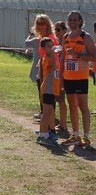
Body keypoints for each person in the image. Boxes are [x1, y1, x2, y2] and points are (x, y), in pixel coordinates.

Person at [60, 10, 96, 147]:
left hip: (81, 78)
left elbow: (94, 57)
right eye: (70, 20)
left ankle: (86, 136)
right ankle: (75, 135)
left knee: (83, 107)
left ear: (80, 21)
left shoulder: (85, 37)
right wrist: (62, 76)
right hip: (68, 77)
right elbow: (63, 58)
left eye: (75, 20)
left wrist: (78, 56)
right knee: (72, 106)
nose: (72, 22)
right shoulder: (66, 37)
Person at [28, 14, 59, 120]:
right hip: (42, 68)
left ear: (47, 25)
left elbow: (54, 55)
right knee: (41, 91)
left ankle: (49, 116)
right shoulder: (40, 38)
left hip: (50, 69)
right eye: (38, 23)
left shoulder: (51, 38)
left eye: (43, 23)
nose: (41, 26)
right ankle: (43, 112)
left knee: (48, 93)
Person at [36, 37, 61, 146]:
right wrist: (54, 54)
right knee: (46, 113)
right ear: (43, 49)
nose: (51, 48)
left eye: (52, 46)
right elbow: (53, 68)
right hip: (48, 88)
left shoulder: (50, 57)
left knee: (50, 111)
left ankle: (48, 132)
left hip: (52, 89)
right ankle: (43, 135)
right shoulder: (47, 58)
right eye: (48, 47)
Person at [53, 21, 68, 134]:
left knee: (61, 100)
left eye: (58, 30)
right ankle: (62, 123)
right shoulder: (58, 43)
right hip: (57, 74)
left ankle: (63, 124)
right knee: (59, 99)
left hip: (63, 74)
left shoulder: (65, 44)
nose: (56, 32)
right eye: (55, 30)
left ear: (64, 31)